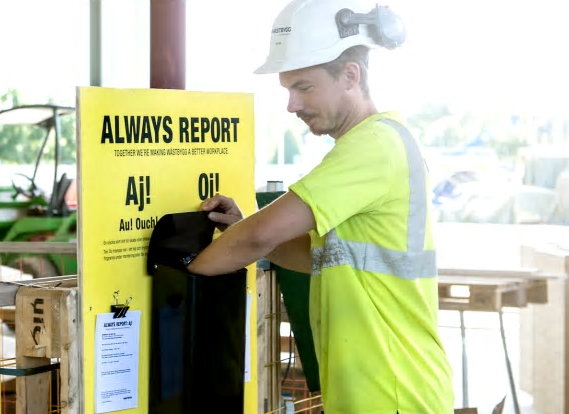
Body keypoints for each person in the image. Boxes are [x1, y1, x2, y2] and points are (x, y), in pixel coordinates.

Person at [184, 0, 455, 413]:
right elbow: (314, 255)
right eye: (288, 89)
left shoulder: (373, 146)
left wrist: (176, 280)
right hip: (382, 391)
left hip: (393, 394)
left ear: (350, 76)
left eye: (304, 87)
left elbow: (259, 235)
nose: (292, 105)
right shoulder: (373, 147)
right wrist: (242, 225)